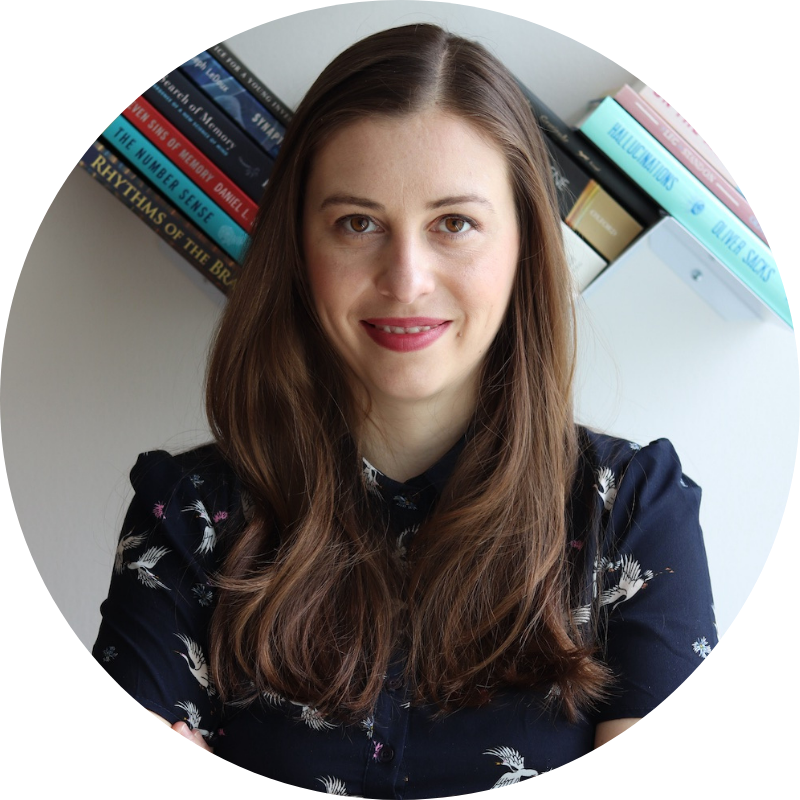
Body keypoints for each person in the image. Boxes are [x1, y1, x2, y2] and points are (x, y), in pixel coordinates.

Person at [92, 23, 717, 794]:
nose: (407, 277)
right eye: (358, 223)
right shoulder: (186, 518)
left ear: (524, 244)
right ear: (300, 247)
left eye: (454, 223)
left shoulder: (633, 512)